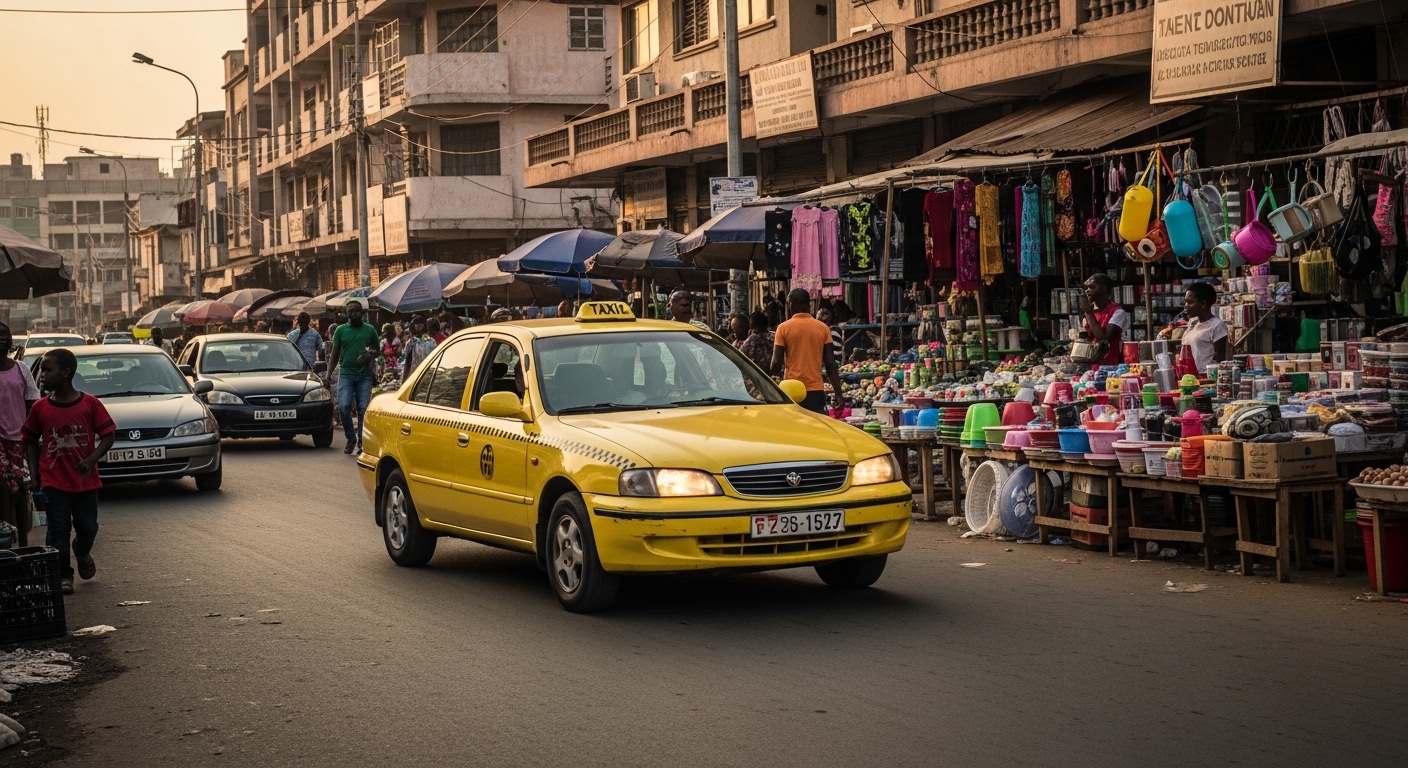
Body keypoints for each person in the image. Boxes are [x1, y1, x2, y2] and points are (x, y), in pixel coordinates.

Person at [24, 348, 117, 595]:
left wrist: (92, 459)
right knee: (58, 529)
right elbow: (30, 440)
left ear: (66, 373)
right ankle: (64, 575)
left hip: (85, 482)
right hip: (54, 482)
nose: (41, 375)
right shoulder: (40, 408)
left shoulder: (90, 404)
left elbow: (108, 436)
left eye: (47, 369)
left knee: (88, 528)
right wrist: (34, 474)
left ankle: (83, 550)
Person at [771, 289, 844, 415]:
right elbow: (831, 364)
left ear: (790, 305)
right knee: (816, 429)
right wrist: (838, 393)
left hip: (792, 389)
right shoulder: (823, 328)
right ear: (809, 305)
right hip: (815, 389)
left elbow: (776, 364)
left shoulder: (783, 328)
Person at [0, 323, 39, 547]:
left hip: (18, 439)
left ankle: (23, 544)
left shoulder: (21, 369)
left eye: (4, 335)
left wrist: (30, 437)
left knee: (18, 490)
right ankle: (5, 542)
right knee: (2, 489)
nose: (1, 339)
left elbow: (32, 403)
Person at [327, 301, 380, 455]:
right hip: (346, 374)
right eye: (351, 311)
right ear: (347, 313)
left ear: (361, 312)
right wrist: (329, 375)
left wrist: (370, 355)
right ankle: (351, 438)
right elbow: (334, 354)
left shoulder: (369, 330)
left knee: (363, 408)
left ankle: (362, 443)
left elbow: (377, 350)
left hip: (364, 374)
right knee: (343, 406)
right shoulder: (341, 331)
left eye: (357, 311)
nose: (354, 314)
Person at [1162, 281, 1228, 374]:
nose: (1186, 306)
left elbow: (1220, 360)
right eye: (1186, 301)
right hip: (1187, 378)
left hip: (1205, 378)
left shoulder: (1217, 326)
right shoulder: (1192, 323)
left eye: (1190, 302)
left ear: (1203, 304)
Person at [1080, 273, 1130, 367]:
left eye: (1092, 287)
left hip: (1110, 366)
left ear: (1104, 289)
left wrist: (1088, 312)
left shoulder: (1117, 312)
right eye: (1087, 288)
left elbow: (1104, 339)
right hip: (1090, 365)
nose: (1087, 291)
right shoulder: (1090, 313)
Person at [400, 315, 437, 381]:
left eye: (421, 323)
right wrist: (404, 380)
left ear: (424, 325)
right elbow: (407, 363)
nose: (419, 325)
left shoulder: (431, 341)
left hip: (429, 374)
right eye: (416, 323)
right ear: (413, 326)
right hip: (414, 375)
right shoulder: (411, 343)